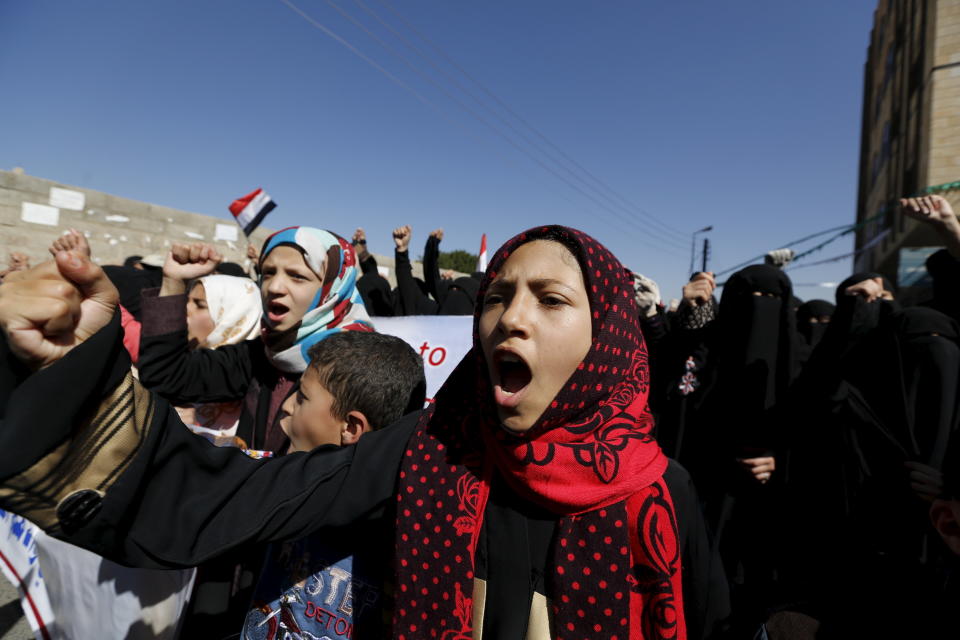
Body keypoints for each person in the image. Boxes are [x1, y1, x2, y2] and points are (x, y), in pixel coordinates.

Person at [0, 226, 729, 638]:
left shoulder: (663, 494)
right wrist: (67, 374)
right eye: (499, 295)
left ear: (605, 338)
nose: (511, 318)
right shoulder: (431, 449)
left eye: (551, 299)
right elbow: (230, 497)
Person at [245, 331, 425, 639]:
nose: (287, 406)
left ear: (351, 428)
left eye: (301, 397)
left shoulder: (398, 535)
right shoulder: (285, 490)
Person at [138, 226, 373, 453]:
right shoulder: (261, 353)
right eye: (268, 273)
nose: (275, 287)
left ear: (333, 288)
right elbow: (165, 375)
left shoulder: (363, 367)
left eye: (297, 276)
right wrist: (173, 281)